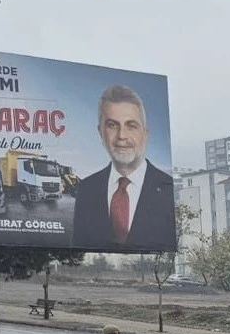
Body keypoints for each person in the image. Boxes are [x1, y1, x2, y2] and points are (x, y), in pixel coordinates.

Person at [71, 84, 176, 251]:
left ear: (145, 133)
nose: (122, 136)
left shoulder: (169, 190)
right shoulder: (86, 189)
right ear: (100, 132)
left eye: (131, 125)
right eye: (112, 125)